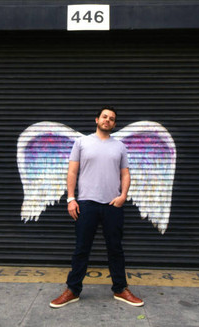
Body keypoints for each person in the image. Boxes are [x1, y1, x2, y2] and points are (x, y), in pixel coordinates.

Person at [50, 106, 144, 308]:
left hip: (113, 204)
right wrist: (71, 199)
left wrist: (123, 196)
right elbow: (72, 172)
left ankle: (120, 288)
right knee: (81, 249)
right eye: (104, 117)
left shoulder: (120, 146)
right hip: (86, 203)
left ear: (114, 124)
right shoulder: (81, 142)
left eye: (111, 118)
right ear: (97, 119)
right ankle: (73, 290)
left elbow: (125, 174)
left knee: (115, 249)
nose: (107, 120)